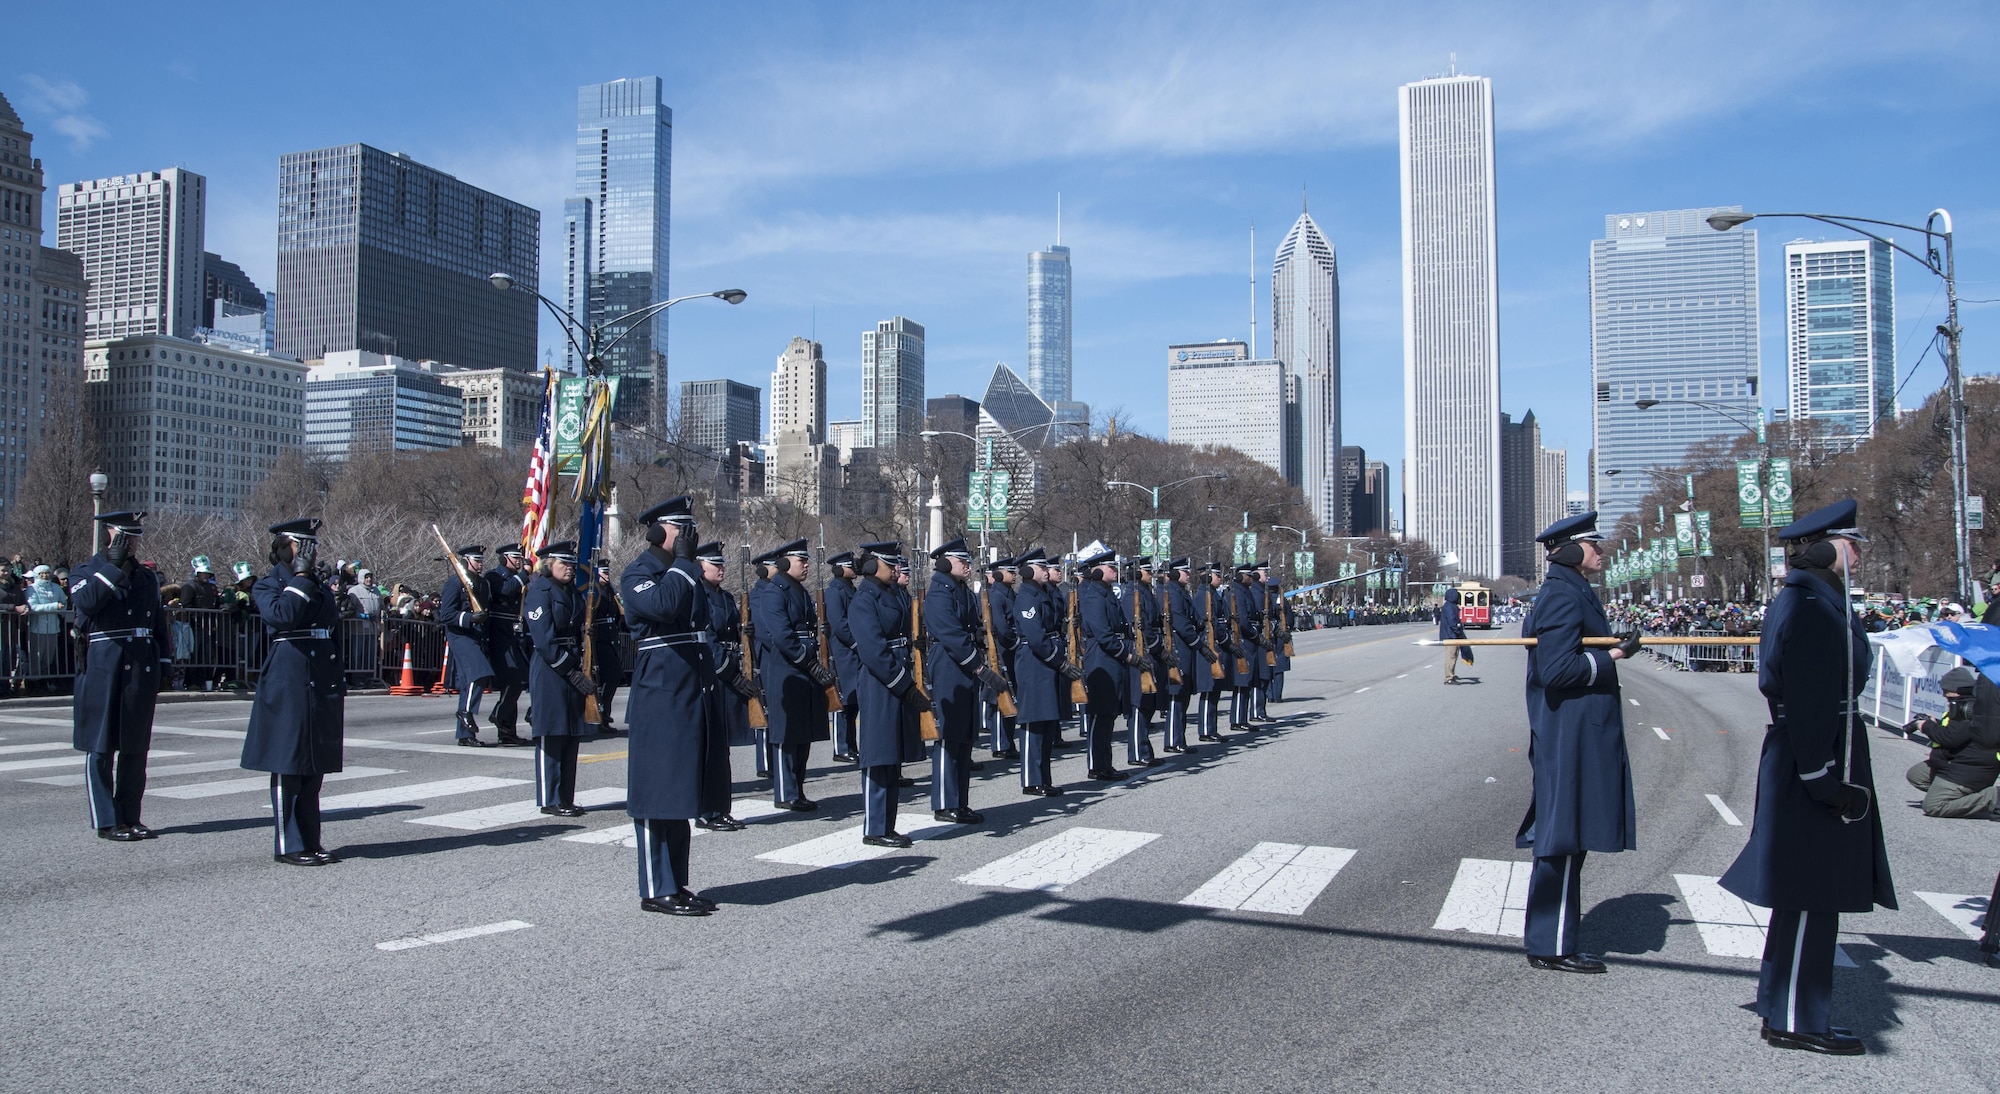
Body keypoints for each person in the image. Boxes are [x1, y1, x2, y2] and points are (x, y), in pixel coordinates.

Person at [1719, 499, 1894, 1056]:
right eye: (1853, 546)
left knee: (1807, 897)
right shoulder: (1812, 607)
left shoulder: (1813, 600)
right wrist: (1824, 781)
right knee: (1813, 895)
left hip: (1812, 754)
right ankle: (1797, 1019)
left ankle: (1785, 1007)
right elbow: (1809, 700)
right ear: (1825, 549)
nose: (1860, 557)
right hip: (1813, 759)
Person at [1517, 511, 1641, 975]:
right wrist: (1612, 657)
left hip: (1579, 731)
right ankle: (1550, 944)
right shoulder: (1561, 596)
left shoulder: (1573, 590)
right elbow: (1558, 671)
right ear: (1569, 551)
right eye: (1593, 544)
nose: (1601, 550)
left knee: (1571, 838)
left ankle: (1554, 938)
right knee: (1561, 837)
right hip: (1569, 733)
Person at [619, 496, 718, 917]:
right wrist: (681, 564)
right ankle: (655, 889)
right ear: (660, 532)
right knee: (656, 794)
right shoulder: (638, 573)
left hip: (689, 689)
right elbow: (662, 607)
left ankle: (676, 883)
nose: (689, 537)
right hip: (659, 691)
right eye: (682, 529)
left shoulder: (687, 571)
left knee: (679, 795)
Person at [241, 518, 346, 866]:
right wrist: (300, 580)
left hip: (319, 672)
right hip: (290, 675)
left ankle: (310, 839)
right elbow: (282, 616)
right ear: (285, 549)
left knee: (312, 767)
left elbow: (330, 625)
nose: (310, 553)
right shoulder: (269, 585)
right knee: (289, 764)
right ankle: (289, 844)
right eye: (303, 546)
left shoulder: (315, 584)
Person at [68, 512, 170, 842]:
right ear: (110, 534)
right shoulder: (86, 571)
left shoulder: (146, 578)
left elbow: (157, 623)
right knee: (100, 747)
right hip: (102, 665)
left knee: (134, 747)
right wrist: (111, 569)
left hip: (140, 664)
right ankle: (107, 820)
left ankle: (129, 815)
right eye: (125, 536)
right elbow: (87, 601)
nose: (132, 543)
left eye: (135, 537)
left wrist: (164, 663)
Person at [752, 539, 833, 811]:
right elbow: (782, 635)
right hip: (787, 668)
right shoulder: (775, 592)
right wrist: (807, 661)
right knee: (787, 733)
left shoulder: (800, 591)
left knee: (803, 732)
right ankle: (786, 792)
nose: (807, 565)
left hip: (804, 666)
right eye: (802, 560)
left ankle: (797, 788)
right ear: (786, 563)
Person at [925, 538, 1001, 824]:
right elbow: (951, 636)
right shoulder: (939, 594)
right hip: (948, 663)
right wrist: (979, 668)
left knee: (964, 736)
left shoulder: (963, 592)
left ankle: (960, 800)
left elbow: (973, 629)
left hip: (965, 662)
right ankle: (945, 802)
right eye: (962, 562)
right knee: (949, 734)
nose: (968, 567)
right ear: (945, 563)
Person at [523, 541, 591, 818]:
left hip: (572, 660)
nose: (570, 569)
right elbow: (544, 640)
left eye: (572, 565)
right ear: (549, 565)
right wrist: (571, 670)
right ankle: (550, 798)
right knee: (552, 733)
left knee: (571, 734)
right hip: (551, 667)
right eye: (564, 564)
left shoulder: (573, 593)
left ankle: (566, 796)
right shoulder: (539, 591)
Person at [695, 542, 750, 832]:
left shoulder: (727, 597)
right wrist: (730, 673)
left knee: (722, 749)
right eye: (714, 564)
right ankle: (706, 810)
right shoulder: (699, 596)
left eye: (721, 564)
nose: (720, 568)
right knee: (709, 748)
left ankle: (721, 807)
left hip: (728, 673)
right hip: (713, 676)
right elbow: (707, 639)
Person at [1905, 666, 2000, 819]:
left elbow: (1950, 738)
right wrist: (1935, 723)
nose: (1945, 696)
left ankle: (1993, 797)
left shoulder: (1971, 708)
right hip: (1955, 762)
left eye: (1947, 693)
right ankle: (1967, 799)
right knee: (1916, 775)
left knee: (1934, 806)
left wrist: (1926, 726)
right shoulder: (1967, 703)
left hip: (1969, 767)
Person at [1011, 548, 1070, 795]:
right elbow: (1036, 638)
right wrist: (1059, 661)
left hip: (1047, 661)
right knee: (1034, 722)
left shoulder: (1043, 593)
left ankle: (1043, 778)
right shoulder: (1026, 597)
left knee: (1046, 722)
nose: (1047, 571)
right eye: (1042, 567)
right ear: (1027, 571)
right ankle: (1031, 779)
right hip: (1035, 662)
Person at [1078, 550, 1132, 782]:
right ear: (1098, 570)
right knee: (1100, 715)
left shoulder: (1108, 594)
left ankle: (1105, 764)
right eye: (1111, 567)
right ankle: (1097, 765)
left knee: (1109, 714)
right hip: (1101, 658)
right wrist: (1127, 655)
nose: (1115, 571)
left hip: (1112, 658)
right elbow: (1103, 633)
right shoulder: (1093, 597)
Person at [441, 546, 500, 748]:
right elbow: (446, 615)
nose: (480, 563)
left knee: (469, 683)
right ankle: (466, 712)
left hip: (476, 635)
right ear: (466, 561)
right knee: (479, 673)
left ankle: (465, 735)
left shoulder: (482, 583)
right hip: (459, 635)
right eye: (476, 560)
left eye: (481, 560)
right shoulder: (455, 582)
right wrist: (469, 618)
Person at [485, 545, 533, 746]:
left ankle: (507, 730)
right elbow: (506, 590)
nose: (519, 561)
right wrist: (524, 574)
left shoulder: (518, 578)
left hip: (515, 634)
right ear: (504, 558)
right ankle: (499, 714)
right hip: (499, 634)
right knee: (514, 679)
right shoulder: (494, 576)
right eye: (515, 557)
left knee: (518, 680)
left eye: (520, 558)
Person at [1163, 558, 1209, 754]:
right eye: (1184, 572)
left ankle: (1179, 738)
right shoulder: (1172, 593)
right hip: (1178, 647)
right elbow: (1180, 623)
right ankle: (1173, 740)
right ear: (1174, 574)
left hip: (1186, 648)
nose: (1188, 574)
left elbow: (1190, 617)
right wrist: (1198, 644)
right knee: (1177, 696)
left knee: (1184, 696)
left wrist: (1200, 623)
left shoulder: (1181, 592)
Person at [1123, 557, 1164, 768]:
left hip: (1151, 647)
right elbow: (1141, 626)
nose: (1152, 574)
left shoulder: (1146, 591)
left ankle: (1144, 748)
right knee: (1139, 704)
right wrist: (1157, 646)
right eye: (1148, 571)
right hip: (1141, 648)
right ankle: (1137, 751)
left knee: (1148, 703)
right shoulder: (1133, 594)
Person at [982, 557, 1022, 761]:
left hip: (1011, 648)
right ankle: (1000, 743)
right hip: (1003, 649)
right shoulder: (996, 595)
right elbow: (1001, 627)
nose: (1014, 575)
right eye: (1010, 571)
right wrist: (1015, 643)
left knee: (1011, 694)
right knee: (1000, 695)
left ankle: (1007, 741)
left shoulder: (1009, 594)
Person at [824, 552, 862, 763]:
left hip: (852, 652)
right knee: (843, 701)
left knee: (854, 702)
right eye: (850, 566)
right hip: (843, 652)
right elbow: (839, 625)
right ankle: (841, 747)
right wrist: (857, 643)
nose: (854, 569)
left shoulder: (850, 589)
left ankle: (851, 745)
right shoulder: (835, 591)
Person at [588, 561, 626, 733]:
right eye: (604, 572)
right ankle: (600, 714)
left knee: (613, 677)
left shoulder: (610, 591)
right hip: (600, 639)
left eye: (608, 572)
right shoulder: (595, 592)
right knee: (606, 678)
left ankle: (604, 714)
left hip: (611, 638)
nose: (607, 575)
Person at [24, 565, 68, 684]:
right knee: (36, 657)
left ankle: (45, 681)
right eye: (41, 573)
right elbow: (33, 607)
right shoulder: (32, 589)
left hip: (53, 628)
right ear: (36, 575)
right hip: (37, 628)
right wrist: (54, 606)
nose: (45, 576)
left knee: (48, 657)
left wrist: (62, 609)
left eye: (47, 573)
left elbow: (64, 602)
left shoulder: (56, 587)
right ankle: (34, 682)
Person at [1440, 588, 1470, 684]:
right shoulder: (1449, 607)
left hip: (1453, 635)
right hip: (1450, 636)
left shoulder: (1451, 606)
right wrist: (1457, 629)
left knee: (1454, 655)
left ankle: (1452, 673)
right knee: (1450, 656)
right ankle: (1448, 677)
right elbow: (1452, 621)